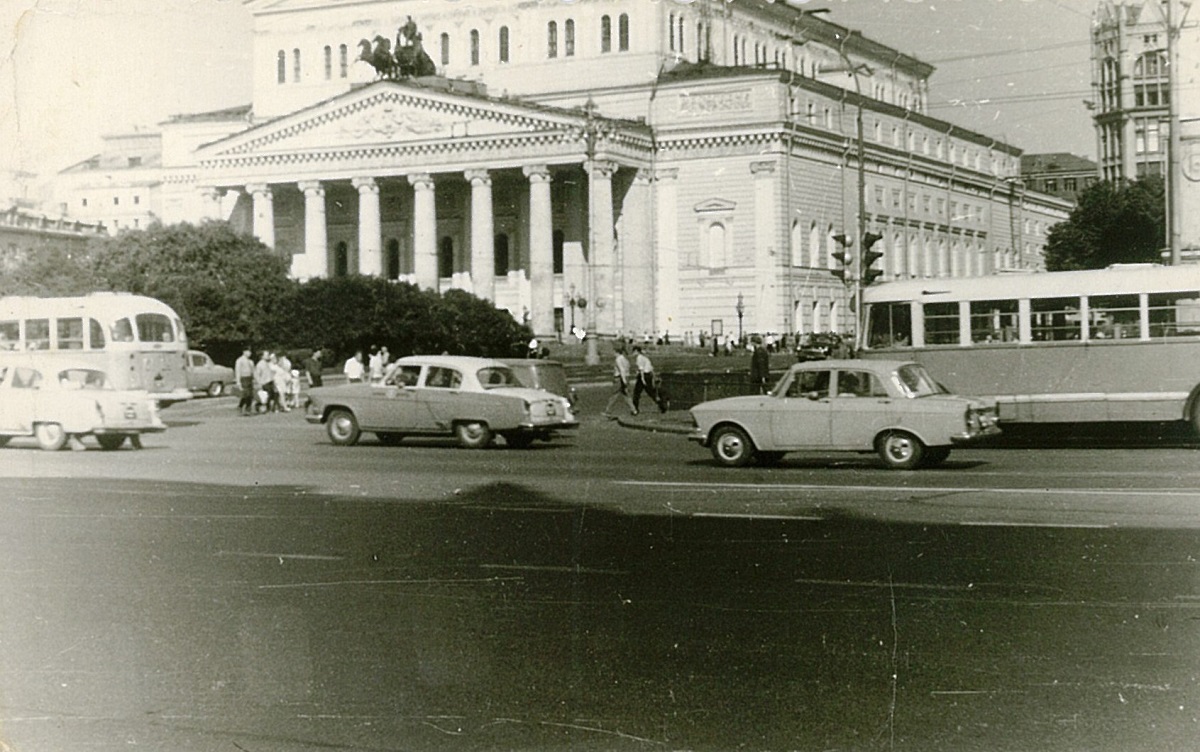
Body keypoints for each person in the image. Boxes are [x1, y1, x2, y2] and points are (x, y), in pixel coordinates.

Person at [602, 346, 636, 419]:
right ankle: (634, 409)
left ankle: (608, 411)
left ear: (616, 352)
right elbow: (627, 369)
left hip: (619, 378)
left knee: (614, 395)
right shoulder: (625, 359)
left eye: (614, 352)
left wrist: (623, 381)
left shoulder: (618, 359)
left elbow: (621, 370)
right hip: (626, 377)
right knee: (626, 395)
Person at [631, 345, 666, 415]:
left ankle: (635, 409)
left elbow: (641, 370)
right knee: (651, 392)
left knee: (636, 393)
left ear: (636, 351)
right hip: (648, 376)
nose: (633, 353)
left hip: (643, 376)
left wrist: (642, 379)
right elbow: (650, 368)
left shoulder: (639, 358)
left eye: (634, 352)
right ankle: (662, 405)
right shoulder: (645, 358)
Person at [235, 347, 255, 416]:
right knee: (245, 394)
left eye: (250, 352)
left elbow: (253, 371)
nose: (250, 353)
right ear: (244, 352)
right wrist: (238, 382)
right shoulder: (240, 360)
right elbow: (238, 371)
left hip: (249, 378)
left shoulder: (250, 361)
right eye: (248, 352)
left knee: (250, 395)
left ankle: (248, 409)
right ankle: (240, 406)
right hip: (243, 378)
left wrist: (254, 379)